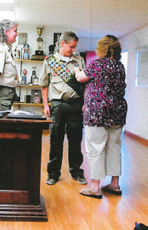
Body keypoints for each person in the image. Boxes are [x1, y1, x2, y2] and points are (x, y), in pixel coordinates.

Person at [74, 35, 127, 199]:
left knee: (95, 148)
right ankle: (114, 184)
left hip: (97, 112)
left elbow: (81, 78)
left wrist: (77, 69)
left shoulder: (97, 64)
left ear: (101, 49)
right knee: (114, 147)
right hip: (117, 111)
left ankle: (95, 187)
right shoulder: (120, 66)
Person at [39, 31, 86, 185]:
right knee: (55, 140)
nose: (73, 50)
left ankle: (76, 171)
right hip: (58, 105)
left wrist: (85, 102)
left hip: (75, 105)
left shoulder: (79, 60)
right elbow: (44, 84)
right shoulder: (50, 61)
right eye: (71, 47)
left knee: (75, 141)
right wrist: (46, 105)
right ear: (62, 43)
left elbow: (84, 84)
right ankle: (53, 173)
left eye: (75, 47)